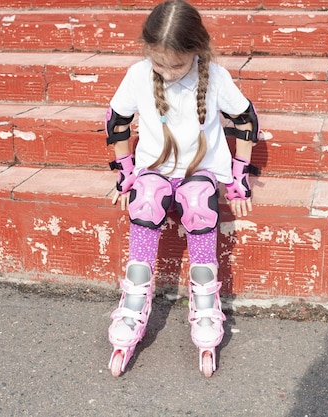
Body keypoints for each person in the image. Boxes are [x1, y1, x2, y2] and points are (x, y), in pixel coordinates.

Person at [105, 0, 259, 378]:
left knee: (200, 203)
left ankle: (205, 303)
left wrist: (238, 180)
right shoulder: (139, 75)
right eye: (159, 63)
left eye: (177, 64)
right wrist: (125, 175)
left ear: (197, 50)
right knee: (145, 200)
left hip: (201, 171)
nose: (168, 72)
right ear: (147, 51)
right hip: (154, 170)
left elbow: (246, 120)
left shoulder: (215, 76)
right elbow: (117, 121)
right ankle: (134, 300)